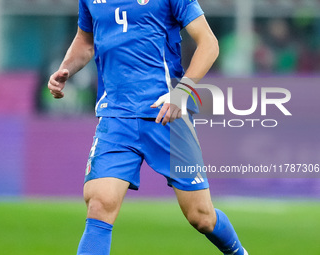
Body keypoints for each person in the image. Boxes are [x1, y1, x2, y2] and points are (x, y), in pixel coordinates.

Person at [48, 0, 248, 254]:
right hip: (116, 117)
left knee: (201, 216)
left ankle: (238, 252)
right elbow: (85, 41)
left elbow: (209, 44)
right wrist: (65, 68)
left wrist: (182, 92)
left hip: (167, 114)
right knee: (99, 203)